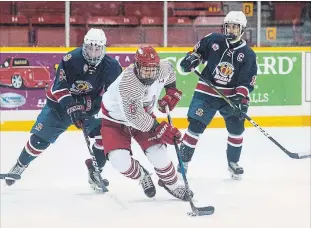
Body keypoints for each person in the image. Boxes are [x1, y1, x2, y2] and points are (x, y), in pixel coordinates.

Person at [5, 28, 122, 190]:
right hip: (59, 106)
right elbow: (58, 87)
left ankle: (95, 171)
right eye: (90, 48)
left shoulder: (112, 66)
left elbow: (112, 95)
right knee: (39, 141)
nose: (93, 53)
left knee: (105, 135)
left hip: (88, 107)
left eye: (97, 49)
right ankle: (20, 165)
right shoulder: (71, 59)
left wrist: (92, 106)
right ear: (84, 46)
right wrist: (71, 106)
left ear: (104, 49)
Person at [97, 46, 193, 201]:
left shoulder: (162, 67)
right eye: (145, 70)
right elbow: (134, 117)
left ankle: (173, 184)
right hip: (114, 121)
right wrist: (159, 128)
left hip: (144, 115)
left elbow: (169, 71)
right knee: (119, 160)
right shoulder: (129, 83)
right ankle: (142, 175)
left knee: (158, 153)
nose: (150, 74)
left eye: (153, 70)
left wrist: (170, 91)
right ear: (136, 66)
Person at [178, 11, 258, 180]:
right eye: (228, 26)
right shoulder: (213, 39)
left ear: (242, 29)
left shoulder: (249, 54)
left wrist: (240, 98)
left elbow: (247, 81)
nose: (231, 30)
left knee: (236, 129)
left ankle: (233, 163)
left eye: (235, 27)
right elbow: (197, 53)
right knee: (195, 126)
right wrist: (191, 60)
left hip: (231, 96)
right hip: (207, 91)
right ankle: (183, 162)